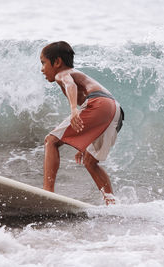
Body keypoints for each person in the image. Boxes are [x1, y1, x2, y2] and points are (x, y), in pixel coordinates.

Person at [40, 41, 124, 205]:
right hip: (115, 109)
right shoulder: (76, 73)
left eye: (43, 63)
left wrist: (73, 109)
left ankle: (47, 192)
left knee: (51, 141)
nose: (42, 69)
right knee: (90, 162)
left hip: (98, 103)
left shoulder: (62, 73)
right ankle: (111, 203)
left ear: (57, 62)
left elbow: (70, 85)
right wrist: (86, 140)